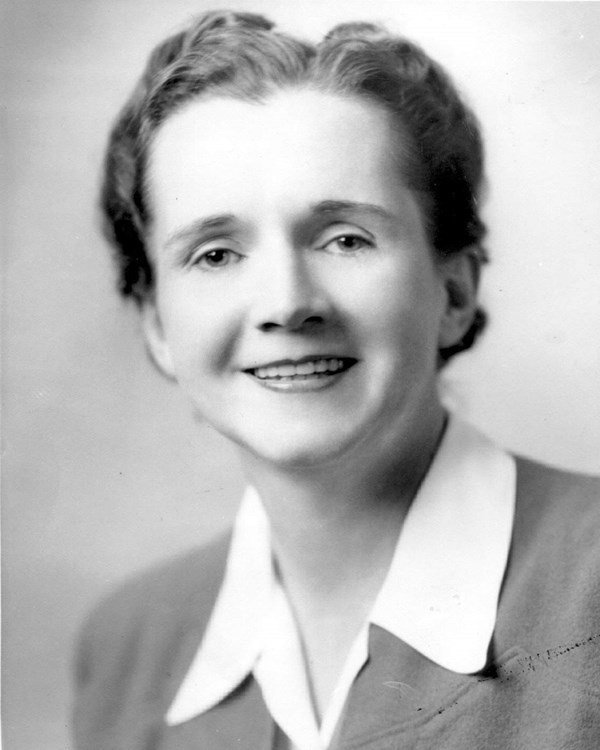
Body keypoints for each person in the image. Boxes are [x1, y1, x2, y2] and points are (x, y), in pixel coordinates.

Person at [73, 9, 600, 750]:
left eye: (345, 238)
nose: (288, 303)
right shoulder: (126, 648)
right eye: (216, 254)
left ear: (454, 292)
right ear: (158, 326)